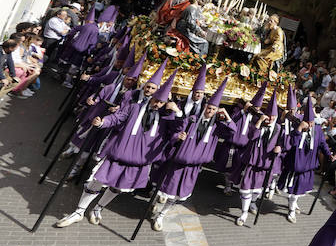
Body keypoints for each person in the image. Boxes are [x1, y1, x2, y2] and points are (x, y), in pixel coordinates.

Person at [54, 70, 181, 228]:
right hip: (118, 154)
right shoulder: (134, 107)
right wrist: (102, 122)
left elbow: (177, 132)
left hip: (138, 162)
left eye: (161, 102)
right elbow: (117, 117)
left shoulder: (166, 119)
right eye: (155, 100)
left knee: (118, 187)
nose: (156, 104)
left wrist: (177, 113)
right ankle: (79, 211)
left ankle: (98, 209)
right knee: (96, 182)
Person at [152, 78, 236, 230]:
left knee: (179, 196)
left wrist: (227, 116)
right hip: (177, 164)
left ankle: (161, 215)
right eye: (209, 108)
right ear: (205, 106)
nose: (210, 112)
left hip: (194, 168)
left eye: (213, 110)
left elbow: (233, 132)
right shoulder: (192, 120)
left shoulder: (217, 127)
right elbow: (175, 132)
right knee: (166, 190)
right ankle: (155, 205)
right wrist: (178, 137)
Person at [232, 95, 283, 226]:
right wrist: (259, 122)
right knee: (245, 188)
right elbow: (251, 136)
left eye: (273, 116)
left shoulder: (278, 129)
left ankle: (253, 203)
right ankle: (244, 213)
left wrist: (279, 148)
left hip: (266, 165)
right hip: (252, 163)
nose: (270, 119)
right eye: (268, 115)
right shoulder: (257, 123)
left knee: (258, 190)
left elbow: (283, 143)